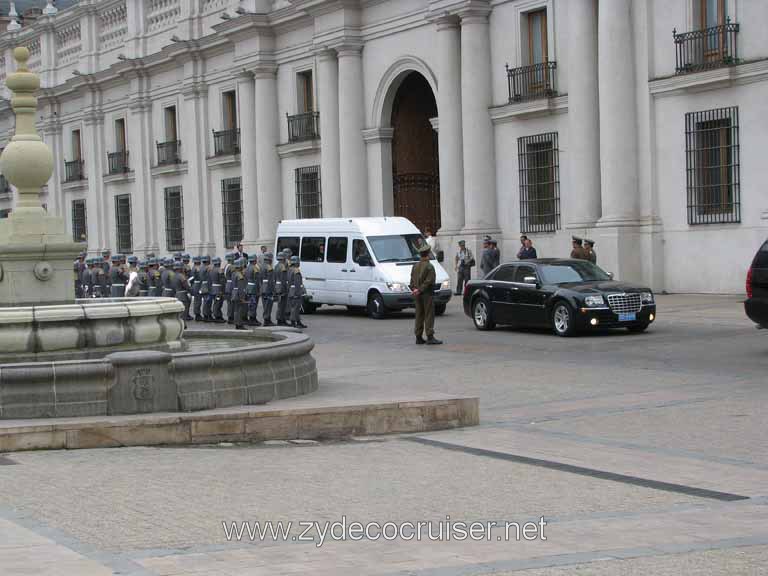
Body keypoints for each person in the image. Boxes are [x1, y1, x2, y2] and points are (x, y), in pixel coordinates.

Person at [410, 244, 442, 345]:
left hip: (417, 294)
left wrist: (415, 289)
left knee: (419, 314)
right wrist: (420, 290)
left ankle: (418, 337)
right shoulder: (429, 266)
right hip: (427, 294)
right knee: (429, 314)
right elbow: (429, 281)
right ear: (428, 254)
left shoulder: (415, 266)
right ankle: (430, 336)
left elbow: (411, 281)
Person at [288, 255, 307, 329]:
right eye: (298, 262)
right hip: (295, 291)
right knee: (295, 308)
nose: (299, 263)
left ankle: (298, 321)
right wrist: (298, 293)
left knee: (295, 307)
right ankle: (293, 322)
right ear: (296, 262)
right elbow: (297, 283)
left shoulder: (289, 269)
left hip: (291, 291)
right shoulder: (296, 270)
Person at [245, 253, 262, 326]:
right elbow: (257, 280)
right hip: (254, 288)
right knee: (254, 304)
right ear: (255, 260)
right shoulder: (255, 268)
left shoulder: (247, 267)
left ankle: (251, 318)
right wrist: (259, 290)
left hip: (248, 287)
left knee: (250, 304)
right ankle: (252, 319)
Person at [231, 258, 248, 330]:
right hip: (238, 294)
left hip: (234, 293)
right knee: (240, 310)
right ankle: (239, 324)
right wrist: (242, 297)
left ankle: (237, 323)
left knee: (236, 309)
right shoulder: (240, 275)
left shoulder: (234, 273)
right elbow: (241, 288)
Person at [275, 251, 290, 326]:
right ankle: (281, 320)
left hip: (277, 286)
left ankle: (280, 319)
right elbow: (284, 279)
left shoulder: (276, 265)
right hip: (282, 287)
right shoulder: (283, 267)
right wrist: (285, 288)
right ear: (283, 258)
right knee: (282, 305)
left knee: (280, 304)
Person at [260, 252, 275, 326]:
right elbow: (271, 279)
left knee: (264, 304)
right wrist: (273, 289)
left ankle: (267, 319)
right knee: (268, 304)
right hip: (268, 288)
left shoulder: (261, 266)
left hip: (263, 287)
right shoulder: (269, 267)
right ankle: (267, 320)